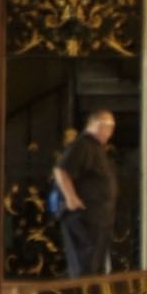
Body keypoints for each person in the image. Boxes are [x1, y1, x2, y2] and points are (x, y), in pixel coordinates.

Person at [53, 110, 119, 277]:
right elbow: (61, 170)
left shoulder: (96, 148)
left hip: (98, 219)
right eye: (109, 127)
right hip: (84, 218)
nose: (111, 132)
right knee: (85, 266)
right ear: (97, 124)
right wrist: (71, 198)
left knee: (95, 267)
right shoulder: (82, 145)